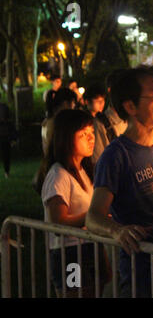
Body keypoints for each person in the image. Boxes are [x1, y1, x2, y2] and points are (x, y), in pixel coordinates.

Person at [85, 66, 153, 298]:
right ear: (130, 106)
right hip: (144, 270)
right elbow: (93, 216)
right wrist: (117, 231)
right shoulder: (116, 156)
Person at [37, 109, 110, 297]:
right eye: (83, 134)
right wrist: (92, 218)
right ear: (66, 138)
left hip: (90, 246)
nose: (91, 139)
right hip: (69, 253)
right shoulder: (58, 175)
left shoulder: (84, 171)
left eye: (92, 133)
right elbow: (57, 222)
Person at [41, 88, 77, 156]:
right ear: (65, 103)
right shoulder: (55, 123)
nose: (74, 106)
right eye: (73, 103)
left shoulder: (49, 120)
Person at [0, 101, 17, 178]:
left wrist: (13, 138)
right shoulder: (4, 107)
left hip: (5, 135)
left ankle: (7, 172)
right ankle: (7, 172)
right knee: (6, 155)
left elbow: (8, 121)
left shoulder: (4, 107)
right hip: (5, 135)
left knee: (6, 155)